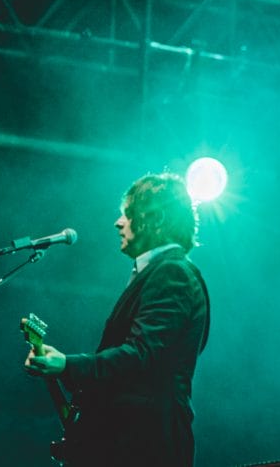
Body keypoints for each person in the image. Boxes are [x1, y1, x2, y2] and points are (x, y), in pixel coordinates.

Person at [25, 172, 210, 467]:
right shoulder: (159, 273)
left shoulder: (171, 274)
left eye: (128, 213)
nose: (118, 222)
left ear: (156, 219)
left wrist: (68, 365)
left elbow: (141, 356)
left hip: (144, 446)